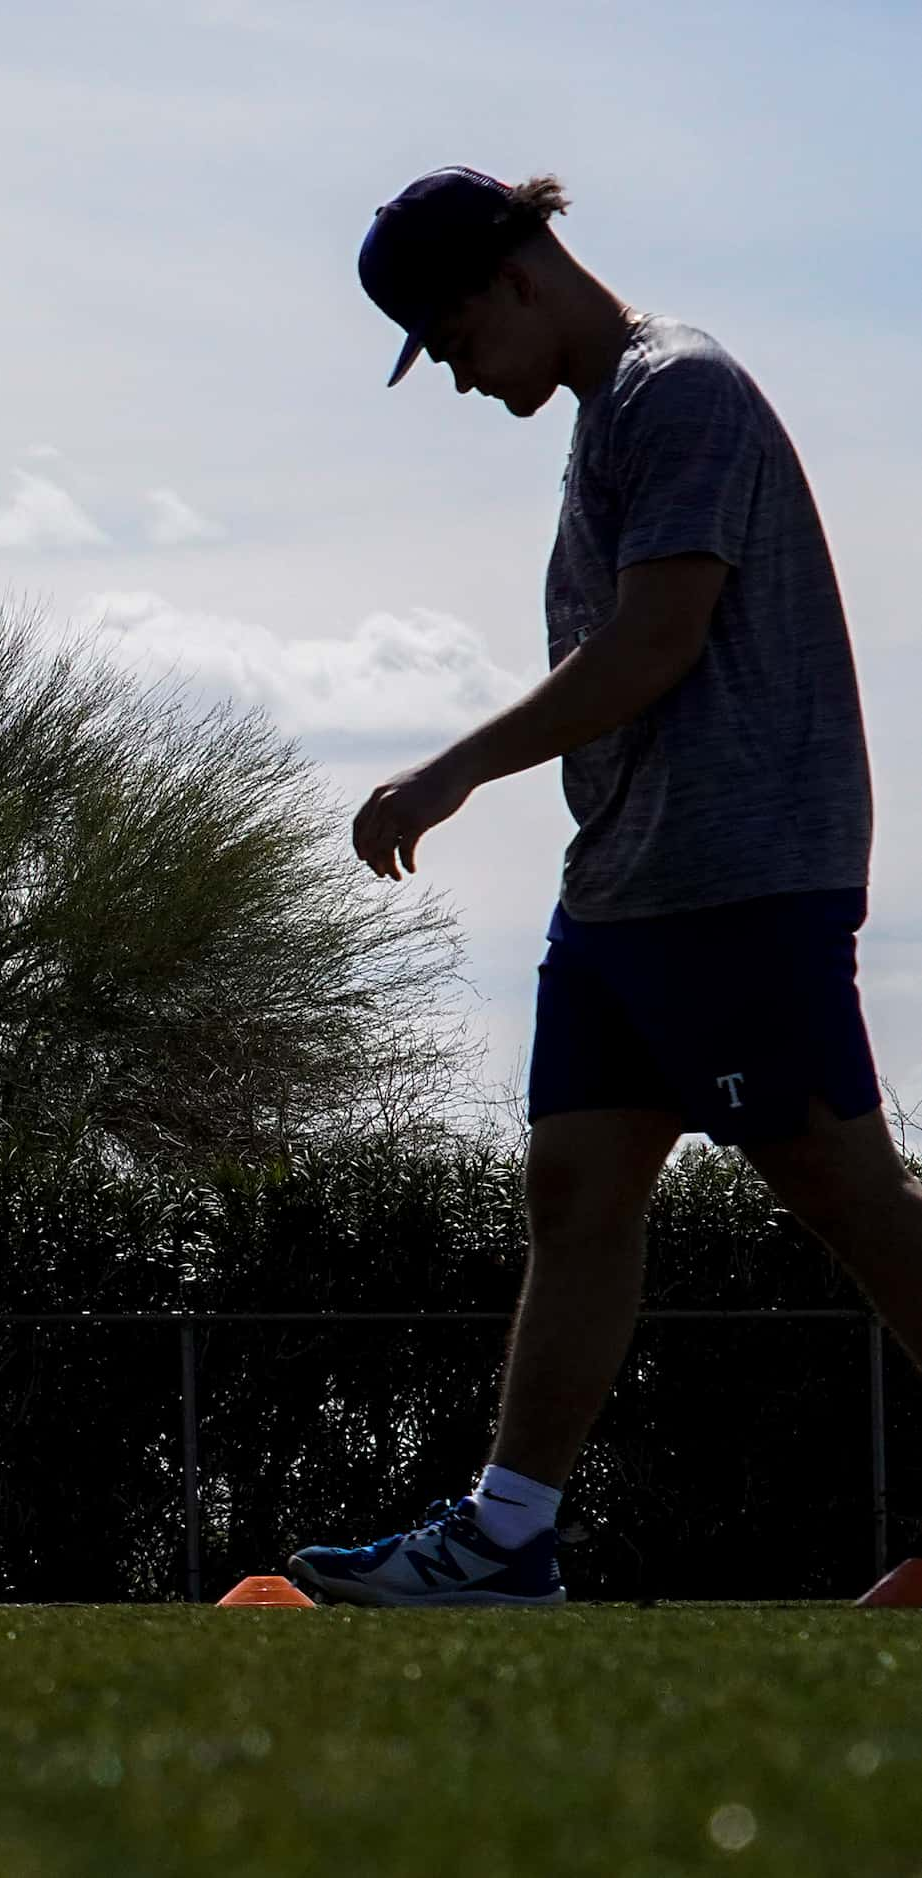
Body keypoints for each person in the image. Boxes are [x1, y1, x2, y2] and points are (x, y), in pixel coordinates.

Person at [289, 168, 908, 1605]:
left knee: (850, 1200)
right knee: (574, 1192)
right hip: (627, 889)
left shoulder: (673, 390)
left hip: (735, 879)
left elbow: (651, 645)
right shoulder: (610, 416)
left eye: (447, 344)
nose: (454, 380)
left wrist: (450, 771)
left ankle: (504, 1537)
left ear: (513, 281)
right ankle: (506, 1540)